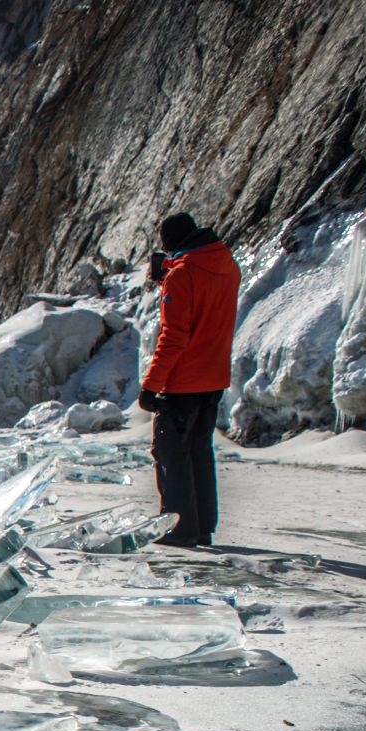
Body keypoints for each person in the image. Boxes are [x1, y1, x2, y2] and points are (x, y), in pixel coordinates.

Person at [137, 212, 241, 548]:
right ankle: (202, 526)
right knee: (199, 450)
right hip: (213, 377)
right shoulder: (226, 266)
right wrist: (168, 275)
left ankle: (178, 527)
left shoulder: (182, 276)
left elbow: (174, 337)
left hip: (182, 381)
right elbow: (204, 304)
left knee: (170, 453)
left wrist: (151, 385)